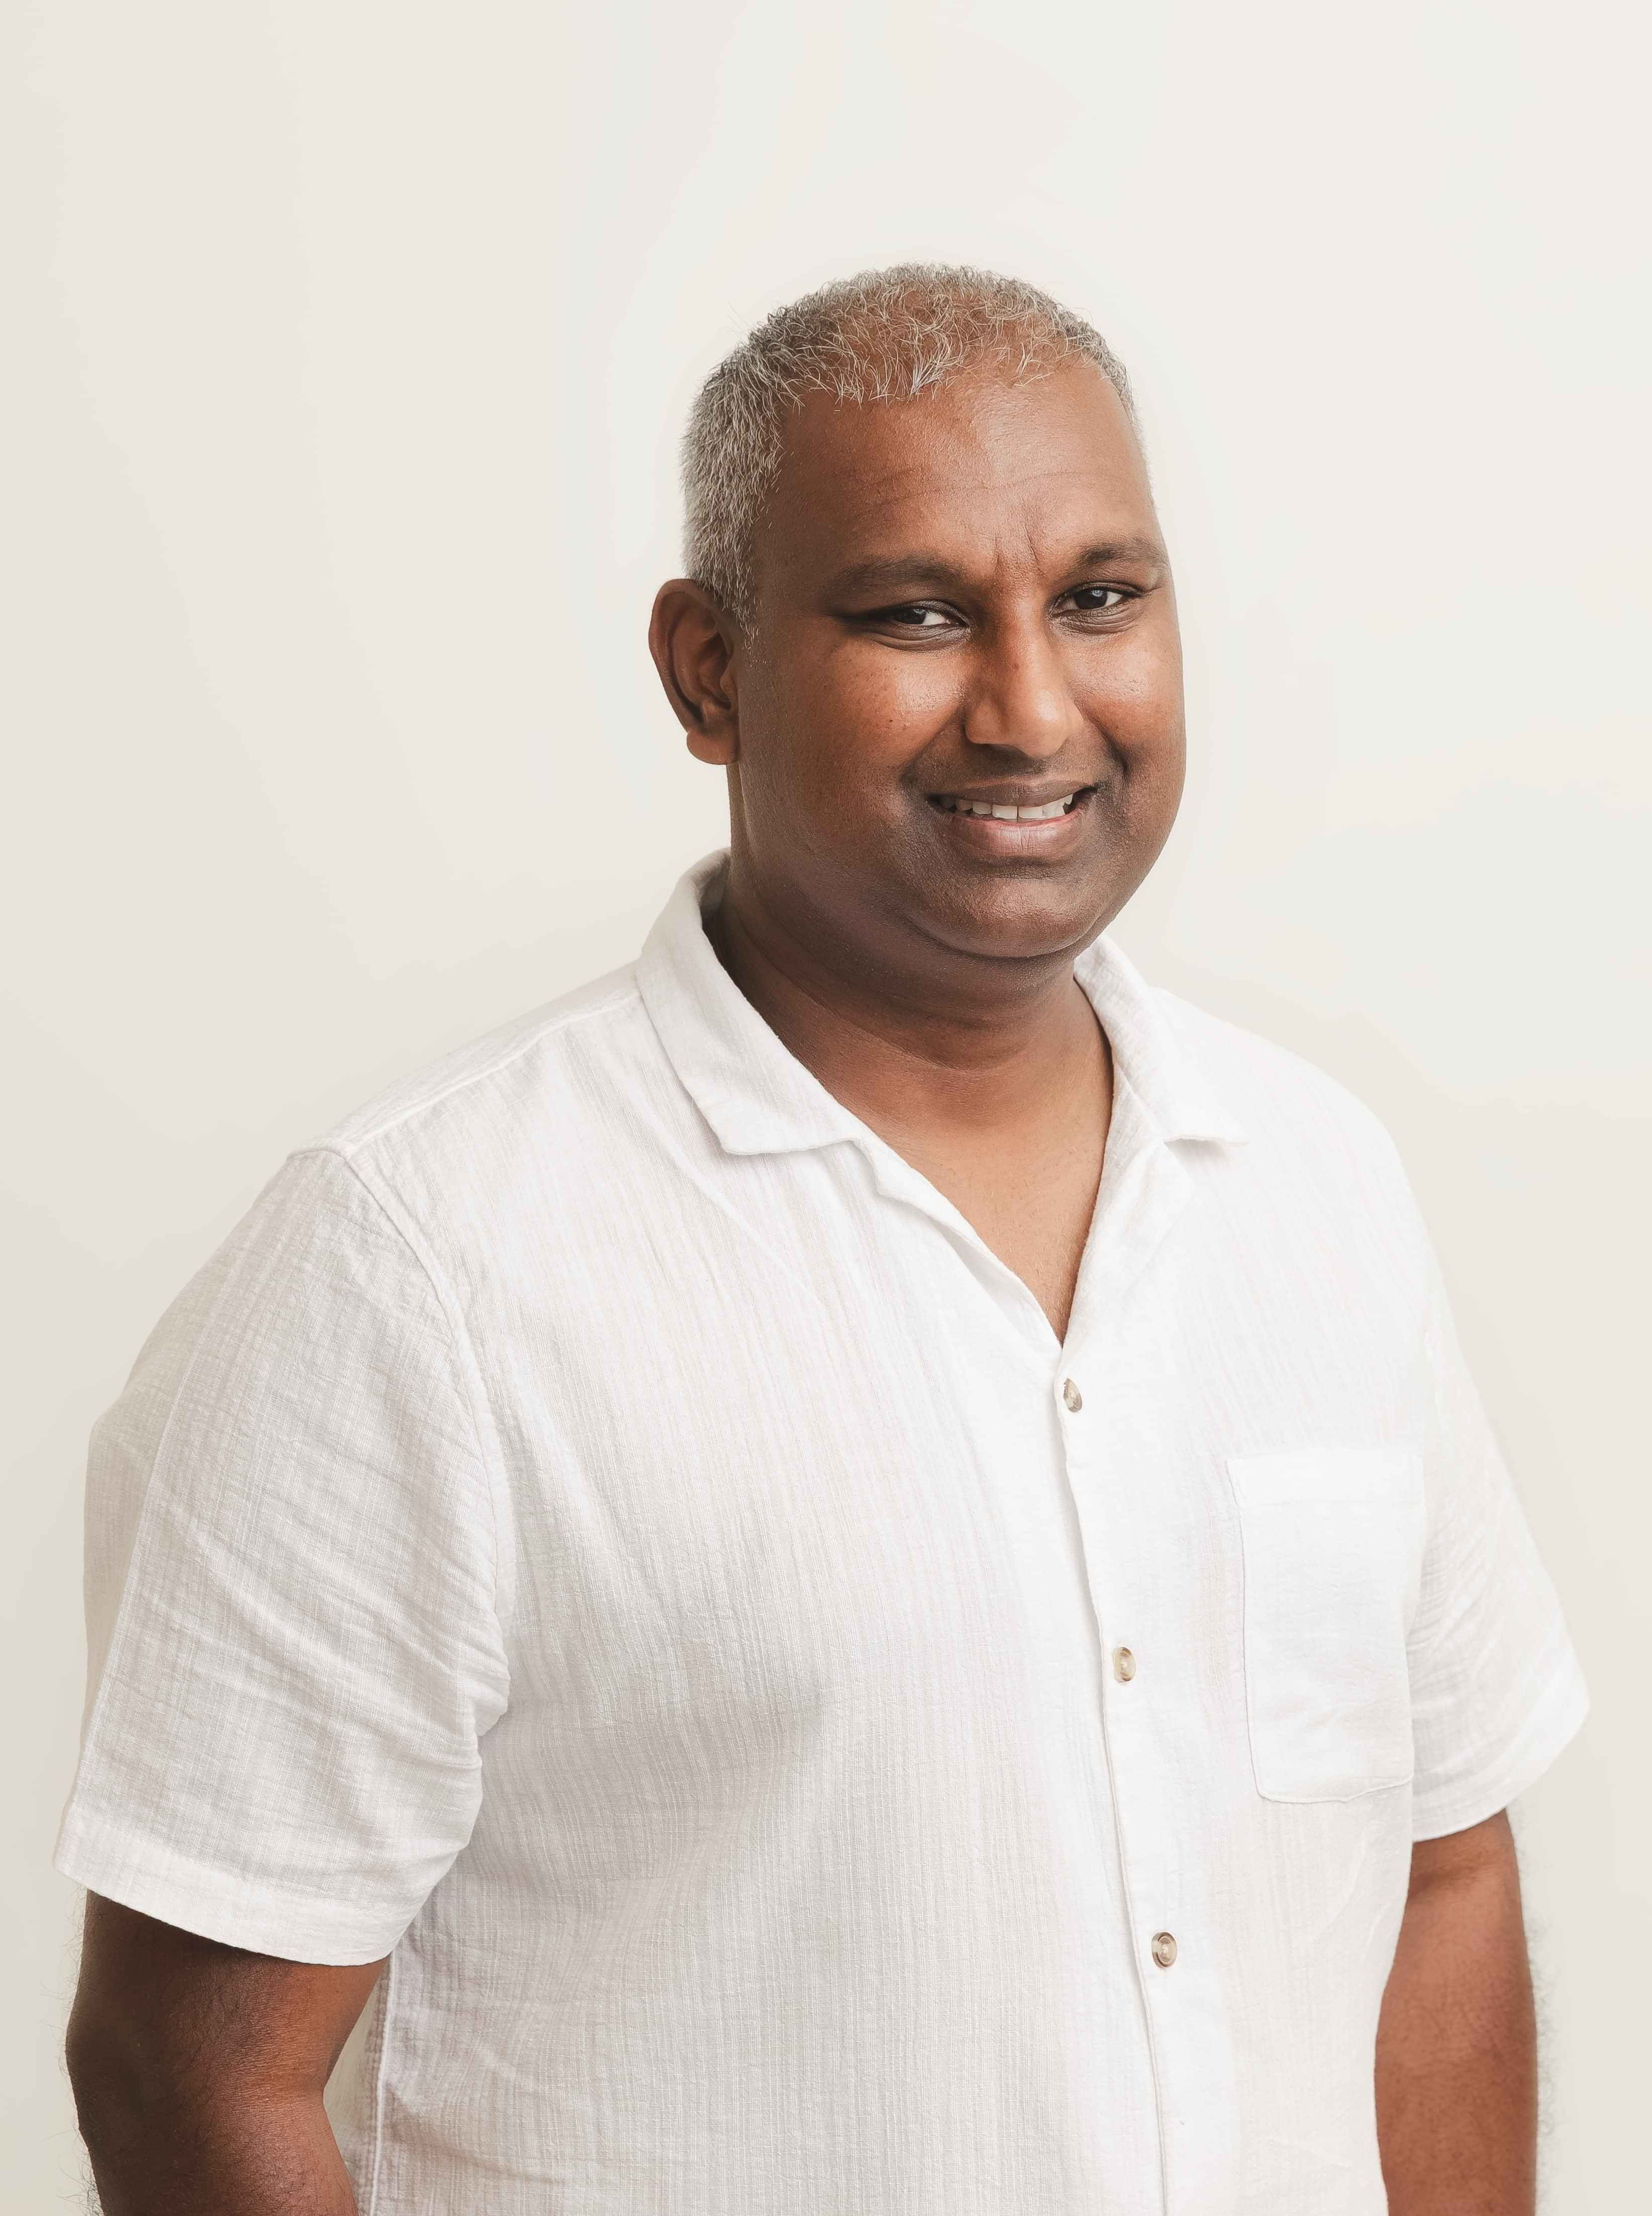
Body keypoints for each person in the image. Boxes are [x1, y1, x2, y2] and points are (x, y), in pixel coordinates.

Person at [58, 264, 1588, 2216]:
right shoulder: (414, 1268)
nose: (1030, 707)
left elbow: (1439, 1870)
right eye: (915, 612)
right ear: (707, 668)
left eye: (1099, 596)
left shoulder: (1316, 1181)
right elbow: (195, 2070)